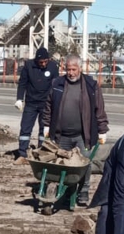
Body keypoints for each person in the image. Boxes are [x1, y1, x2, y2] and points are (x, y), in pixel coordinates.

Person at [40, 54, 108, 206]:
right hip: (61, 135)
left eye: (73, 69)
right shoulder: (57, 83)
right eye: (68, 69)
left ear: (80, 68)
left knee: (84, 164)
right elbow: (48, 106)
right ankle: (64, 191)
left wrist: (102, 130)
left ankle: (83, 191)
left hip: (82, 136)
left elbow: (99, 109)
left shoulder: (90, 85)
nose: (70, 73)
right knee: (61, 164)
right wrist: (46, 125)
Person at [14, 46, 59, 158]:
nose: (43, 64)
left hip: (46, 103)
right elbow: (22, 83)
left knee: (44, 129)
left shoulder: (53, 67)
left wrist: (56, 101)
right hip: (31, 102)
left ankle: (42, 152)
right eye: (41, 62)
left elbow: (56, 86)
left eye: (45, 62)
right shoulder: (29, 66)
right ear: (36, 60)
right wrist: (19, 98)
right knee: (25, 128)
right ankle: (22, 153)